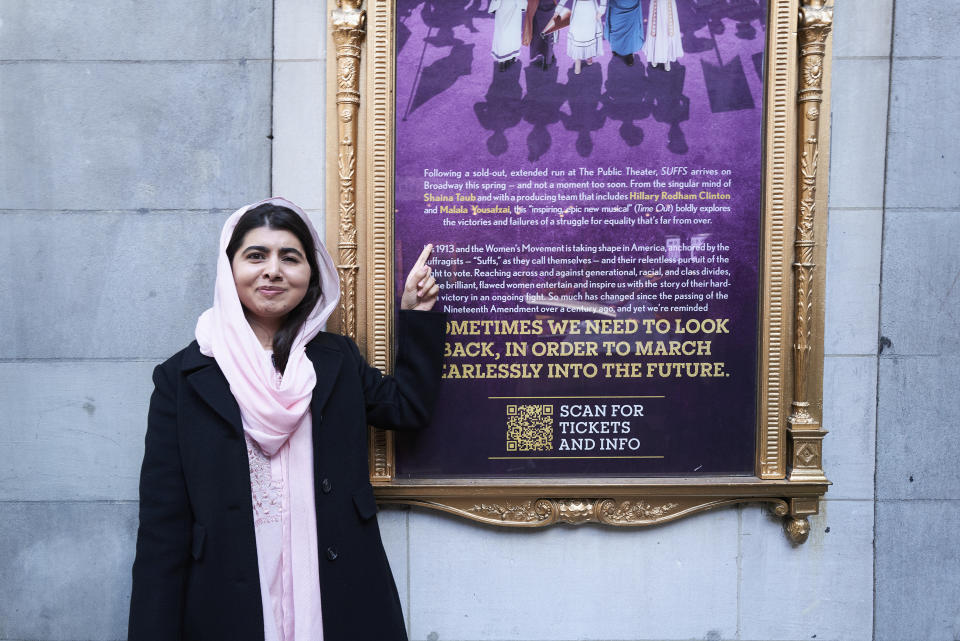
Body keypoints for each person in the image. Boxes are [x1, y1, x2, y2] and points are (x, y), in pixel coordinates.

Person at [128, 197, 445, 641]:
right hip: (228, 590)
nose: (273, 271)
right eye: (256, 256)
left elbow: (407, 408)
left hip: (333, 584)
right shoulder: (183, 378)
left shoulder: (335, 361)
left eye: (289, 258)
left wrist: (415, 316)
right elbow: (163, 525)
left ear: (310, 274)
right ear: (229, 268)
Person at [554, 0, 607, 74]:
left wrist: (601, 11)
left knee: (590, 33)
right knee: (578, 35)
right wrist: (558, 10)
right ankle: (577, 61)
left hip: (591, 10)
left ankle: (589, 55)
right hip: (578, 11)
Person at [603, 0, 644, 66]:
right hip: (616, 3)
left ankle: (629, 53)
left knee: (630, 29)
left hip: (631, 3)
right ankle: (616, 47)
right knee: (615, 25)